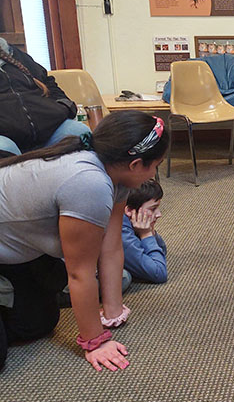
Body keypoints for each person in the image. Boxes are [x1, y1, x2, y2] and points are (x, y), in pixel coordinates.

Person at [0, 111, 169, 372]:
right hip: (13, 247)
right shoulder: (90, 183)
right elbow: (80, 273)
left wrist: (112, 310)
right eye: (155, 165)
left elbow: (111, 246)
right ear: (136, 164)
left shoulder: (117, 173)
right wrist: (95, 341)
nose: (153, 175)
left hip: (20, 248)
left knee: (36, 324)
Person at [0, 38, 90, 158]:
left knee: (79, 132)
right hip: (6, 137)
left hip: (47, 129)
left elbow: (49, 83)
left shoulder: (14, 54)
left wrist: (64, 107)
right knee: (5, 148)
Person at [122, 179, 167, 284]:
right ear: (129, 210)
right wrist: (146, 234)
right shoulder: (122, 233)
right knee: (123, 278)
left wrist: (151, 233)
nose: (159, 214)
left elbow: (162, 251)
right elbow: (159, 272)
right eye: (153, 209)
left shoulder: (127, 220)